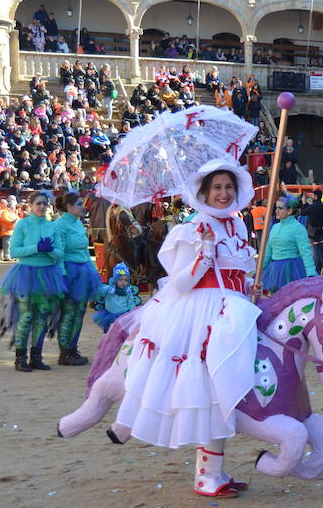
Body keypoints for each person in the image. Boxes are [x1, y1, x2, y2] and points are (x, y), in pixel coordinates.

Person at [113, 158, 260, 499]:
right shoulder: (193, 228)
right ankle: (205, 476)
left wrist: (250, 282)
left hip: (236, 310)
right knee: (209, 394)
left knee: (225, 393)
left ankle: (216, 469)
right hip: (202, 317)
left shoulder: (237, 225)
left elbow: (239, 270)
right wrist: (203, 256)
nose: (223, 194)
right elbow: (179, 283)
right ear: (204, 192)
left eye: (228, 187)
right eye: (216, 188)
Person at [0, 190, 67, 372]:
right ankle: (20, 358)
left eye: (44, 203)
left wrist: (49, 250)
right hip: (26, 275)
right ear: (30, 205)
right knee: (26, 315)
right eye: (38, 203)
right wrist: (36, 247)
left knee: (43, 315)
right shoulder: (22, 224)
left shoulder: (53, 227)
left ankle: (37, 356)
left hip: (48, 275)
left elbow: (60, 254)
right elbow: (14, 251)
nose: (42, 206)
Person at [54, 192, 102, 366]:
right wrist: (61, 276)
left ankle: (72, 348)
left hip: (83, 271)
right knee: (68, 313)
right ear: (70, 207)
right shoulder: (59, 225)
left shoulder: (78, 224)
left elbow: (83, 251)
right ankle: (65, 352)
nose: (84, 206)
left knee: (79, 312)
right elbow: (58, 253)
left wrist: (92, 271)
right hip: (68, 273)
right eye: (80, 204)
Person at [260, 194, 317, 293]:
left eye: (280, 208)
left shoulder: (298, 228)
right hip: (274, 271)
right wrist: (259, 270)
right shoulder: (275, 227)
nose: (276, 211)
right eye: (276, 207)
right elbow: (268, 251)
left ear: (290, 211)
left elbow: (305, 252)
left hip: (292, 270)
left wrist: (311, 273)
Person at [92, 262, 143, 333]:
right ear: (115, 280)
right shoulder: (109, 289)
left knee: (122, 332)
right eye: (120, 280)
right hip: (109, 315)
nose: (123, 282)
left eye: (126, 280)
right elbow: (100, 292)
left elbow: (131, 303)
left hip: (123, 315)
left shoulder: (128, 291)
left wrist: (133, 313)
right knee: (110, 332)